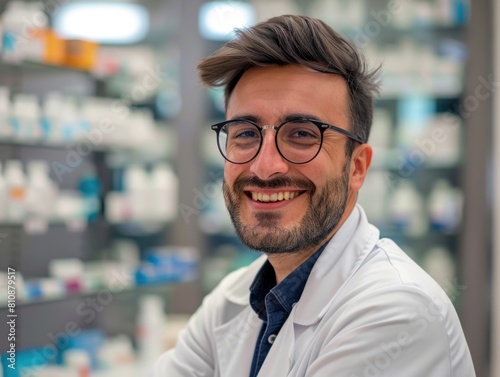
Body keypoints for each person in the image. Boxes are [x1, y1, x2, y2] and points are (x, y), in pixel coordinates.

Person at [150, 14, 475, 377]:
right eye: (245, 133)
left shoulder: (397, 312)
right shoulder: (232, 299)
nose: (264, 166)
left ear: (357, 167)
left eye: (302, 134)